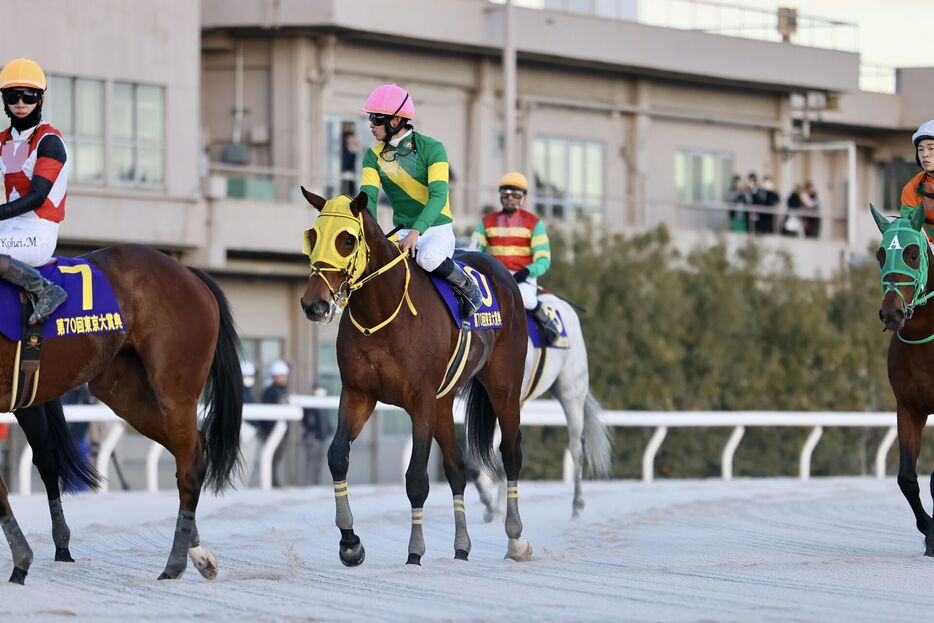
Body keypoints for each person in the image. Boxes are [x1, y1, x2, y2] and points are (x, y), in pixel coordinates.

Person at [359, 83, 482, 319]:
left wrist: (417, 231)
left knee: (428, 258)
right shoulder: (372, 156)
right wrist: (369, 236)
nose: (371, 124)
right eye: (370, 118)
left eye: (376, 118)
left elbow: (438, 196)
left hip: (435, 230)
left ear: (395, 121)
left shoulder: (433, 148)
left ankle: (467, 286)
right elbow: (369, 199)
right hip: (402, 232)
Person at [0, 59, 69, 324]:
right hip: (10, 230)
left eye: (28, 96)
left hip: (38, 233)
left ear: (40, 99)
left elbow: (37, 197)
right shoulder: (4, 140)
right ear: (4, 100)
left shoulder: (50, 142)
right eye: (12, 96)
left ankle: (46, 290)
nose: (20, 103)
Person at [471, 172, 561, 343]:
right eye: (505, 193)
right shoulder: (486, 222)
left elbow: (543, 260)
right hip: (495, 274)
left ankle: (547, 323)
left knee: (526, 300)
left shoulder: (534, 223)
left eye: (515, 194)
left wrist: (527, 271)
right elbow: (474, 251)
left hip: (523, 276)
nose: (510, 198)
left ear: (524, 198)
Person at [260, 359, 290, 488]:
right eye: (281, 376)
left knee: (278, 460)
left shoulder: (285, 391)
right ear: (274, 377)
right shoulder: (269, 393)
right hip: (271, 433)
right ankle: (272, 483)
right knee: (271, 459)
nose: (283, 379)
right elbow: (265, 416)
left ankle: (276, 482)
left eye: (285, 376)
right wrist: (267, 432)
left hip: (283, 433)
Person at [301, 382, 332, 486]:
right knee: (311, 462)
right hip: (312, 438)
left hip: (323, 438)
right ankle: (309, 484)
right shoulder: (309, 403)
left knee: (319, 462)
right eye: (318, 389)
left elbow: (326, 421)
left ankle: (316, 484)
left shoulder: (324, 404)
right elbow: (305, 420)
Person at [340, 129, 359, 196]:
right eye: (351, 138)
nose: (353, 139)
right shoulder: (342, 149)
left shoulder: (354, 148)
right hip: (345, 175)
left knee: (352, 192)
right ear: (346, 139)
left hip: (353, 175)